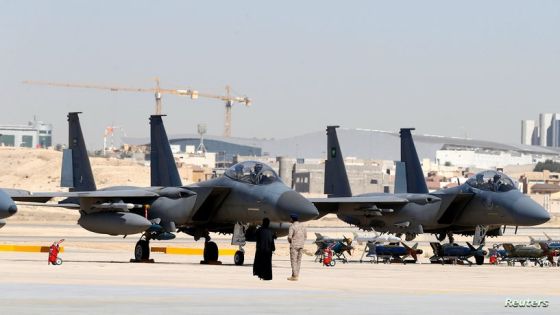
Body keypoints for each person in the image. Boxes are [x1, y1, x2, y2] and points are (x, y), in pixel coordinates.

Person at [287, 213, 307, 281]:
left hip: (294, 246)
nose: (290, 219)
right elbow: (305, 236)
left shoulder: (292, 226)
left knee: (293, 261)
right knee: (299, 261)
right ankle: (295, 274)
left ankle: (295, 276)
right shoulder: (302, 226)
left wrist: (290, 241)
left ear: (292, 219)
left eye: (290, 218)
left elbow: (290, 237)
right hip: (301, 245)